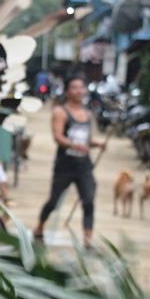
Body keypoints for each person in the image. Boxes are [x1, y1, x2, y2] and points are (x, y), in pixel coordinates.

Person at [34, 75, 106, 247]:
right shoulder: (60, 112)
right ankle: (39, 228)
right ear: (67, 91)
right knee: (54, 201)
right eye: (74, 87)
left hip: (84, 166)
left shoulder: (88, 114)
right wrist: (73, 145)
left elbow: (87, 139)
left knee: (88, 201)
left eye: (81, 87)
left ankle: (88, 240)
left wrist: (97, 144)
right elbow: (58, 137)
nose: (78, 91)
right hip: (65, 165)